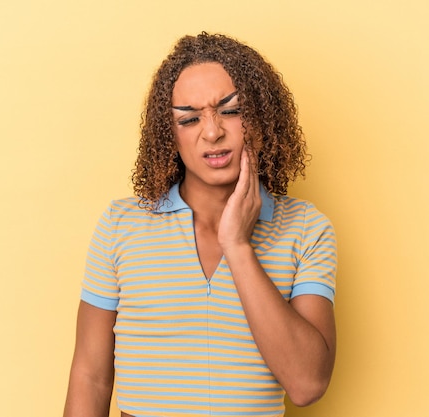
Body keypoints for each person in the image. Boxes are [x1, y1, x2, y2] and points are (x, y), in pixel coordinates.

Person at [64, 32, 337, 417]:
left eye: (231, 110)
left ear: (260, 116)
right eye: (189, 119)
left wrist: (238, 246)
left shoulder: (307, 229)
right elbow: (90, 376)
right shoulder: (121, 225)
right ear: (168, 135)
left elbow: (308, 384)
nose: (212, 132)